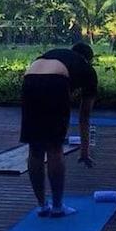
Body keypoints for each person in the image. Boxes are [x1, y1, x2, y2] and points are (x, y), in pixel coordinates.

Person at [20, 42, 96, 217]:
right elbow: (84, 117)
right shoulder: (87, 69)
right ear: (88, 59)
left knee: (35, 148)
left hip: (30, 79)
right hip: (55, 81)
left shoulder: (56, 53)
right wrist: (84, 152)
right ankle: (57, 206)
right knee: (54, 147)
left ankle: (41, 205)